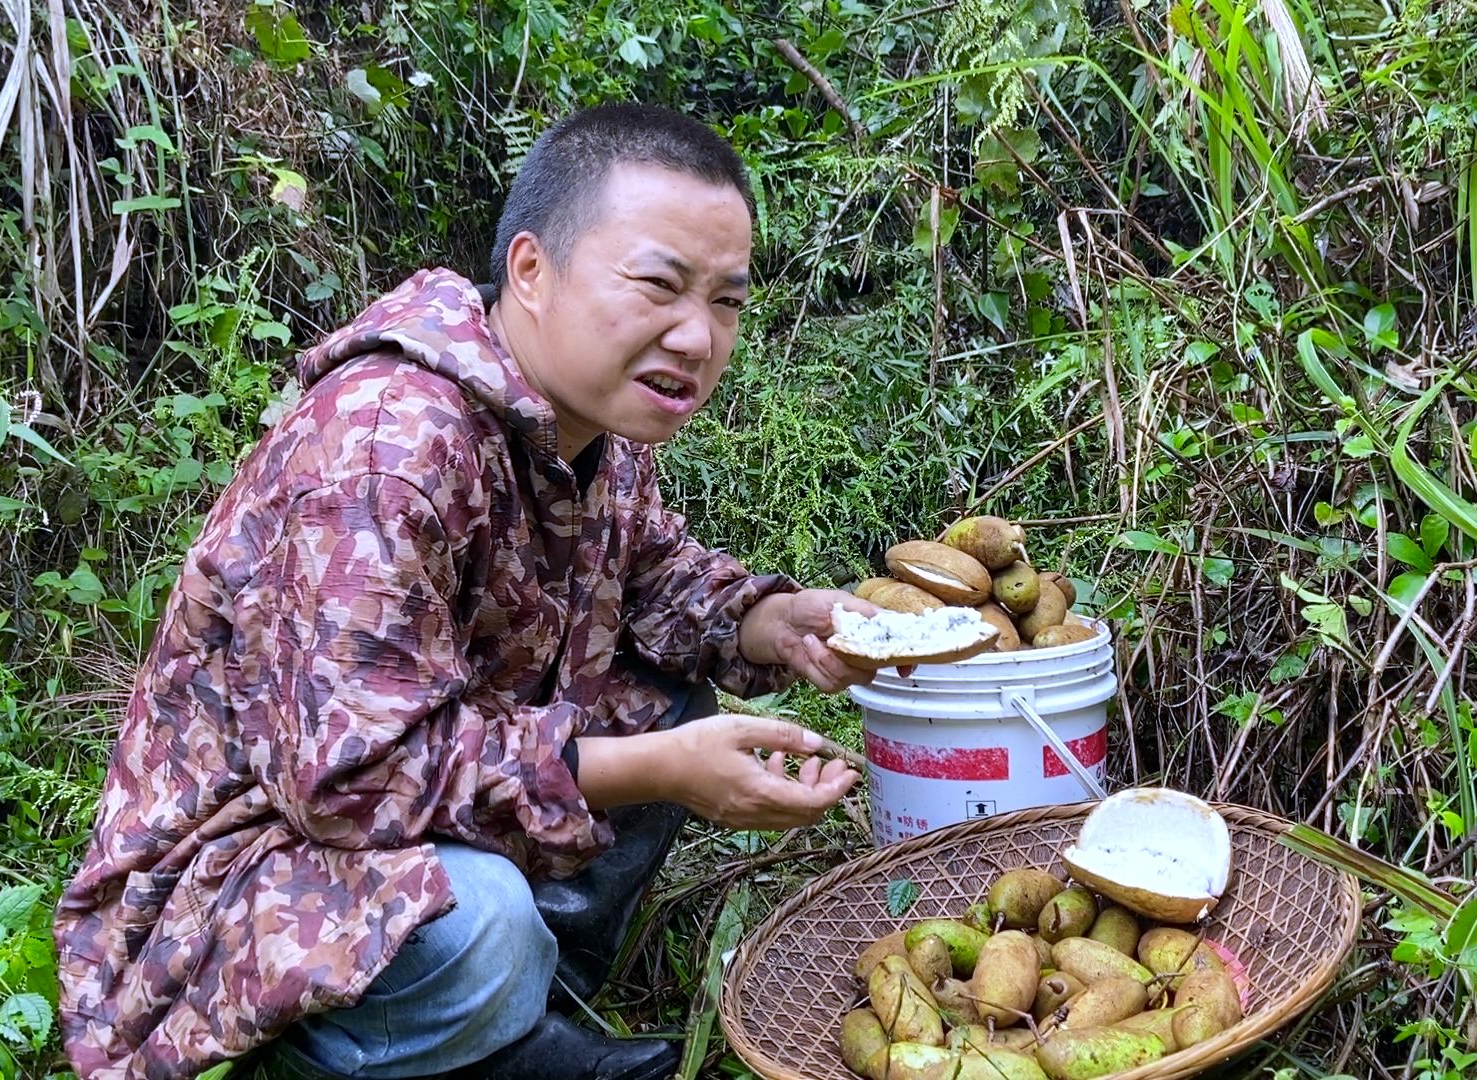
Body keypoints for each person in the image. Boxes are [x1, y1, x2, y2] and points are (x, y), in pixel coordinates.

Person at [51, 103, 892, 1080]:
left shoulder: (594, 425)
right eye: (659, 285)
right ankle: (363, 1045)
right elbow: (350, 783)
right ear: (532, 272)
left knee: (666, 700)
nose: (698, 338)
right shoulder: (387, 446)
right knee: (483, 918)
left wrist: (770, 620)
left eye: (728, 302)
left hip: (418, 798)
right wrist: (659, 769)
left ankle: (529, 1008)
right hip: (240, 868)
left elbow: (651, 572)